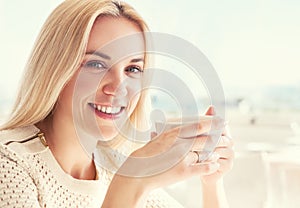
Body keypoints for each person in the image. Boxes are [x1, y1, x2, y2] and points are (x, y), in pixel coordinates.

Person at [0, 0, 234, 207]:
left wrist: (211, 180)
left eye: (132, 69)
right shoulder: (9, 165)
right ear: (54, 70)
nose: (117, 87)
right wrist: (130, 183)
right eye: (96, 65)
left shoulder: (112, 165)